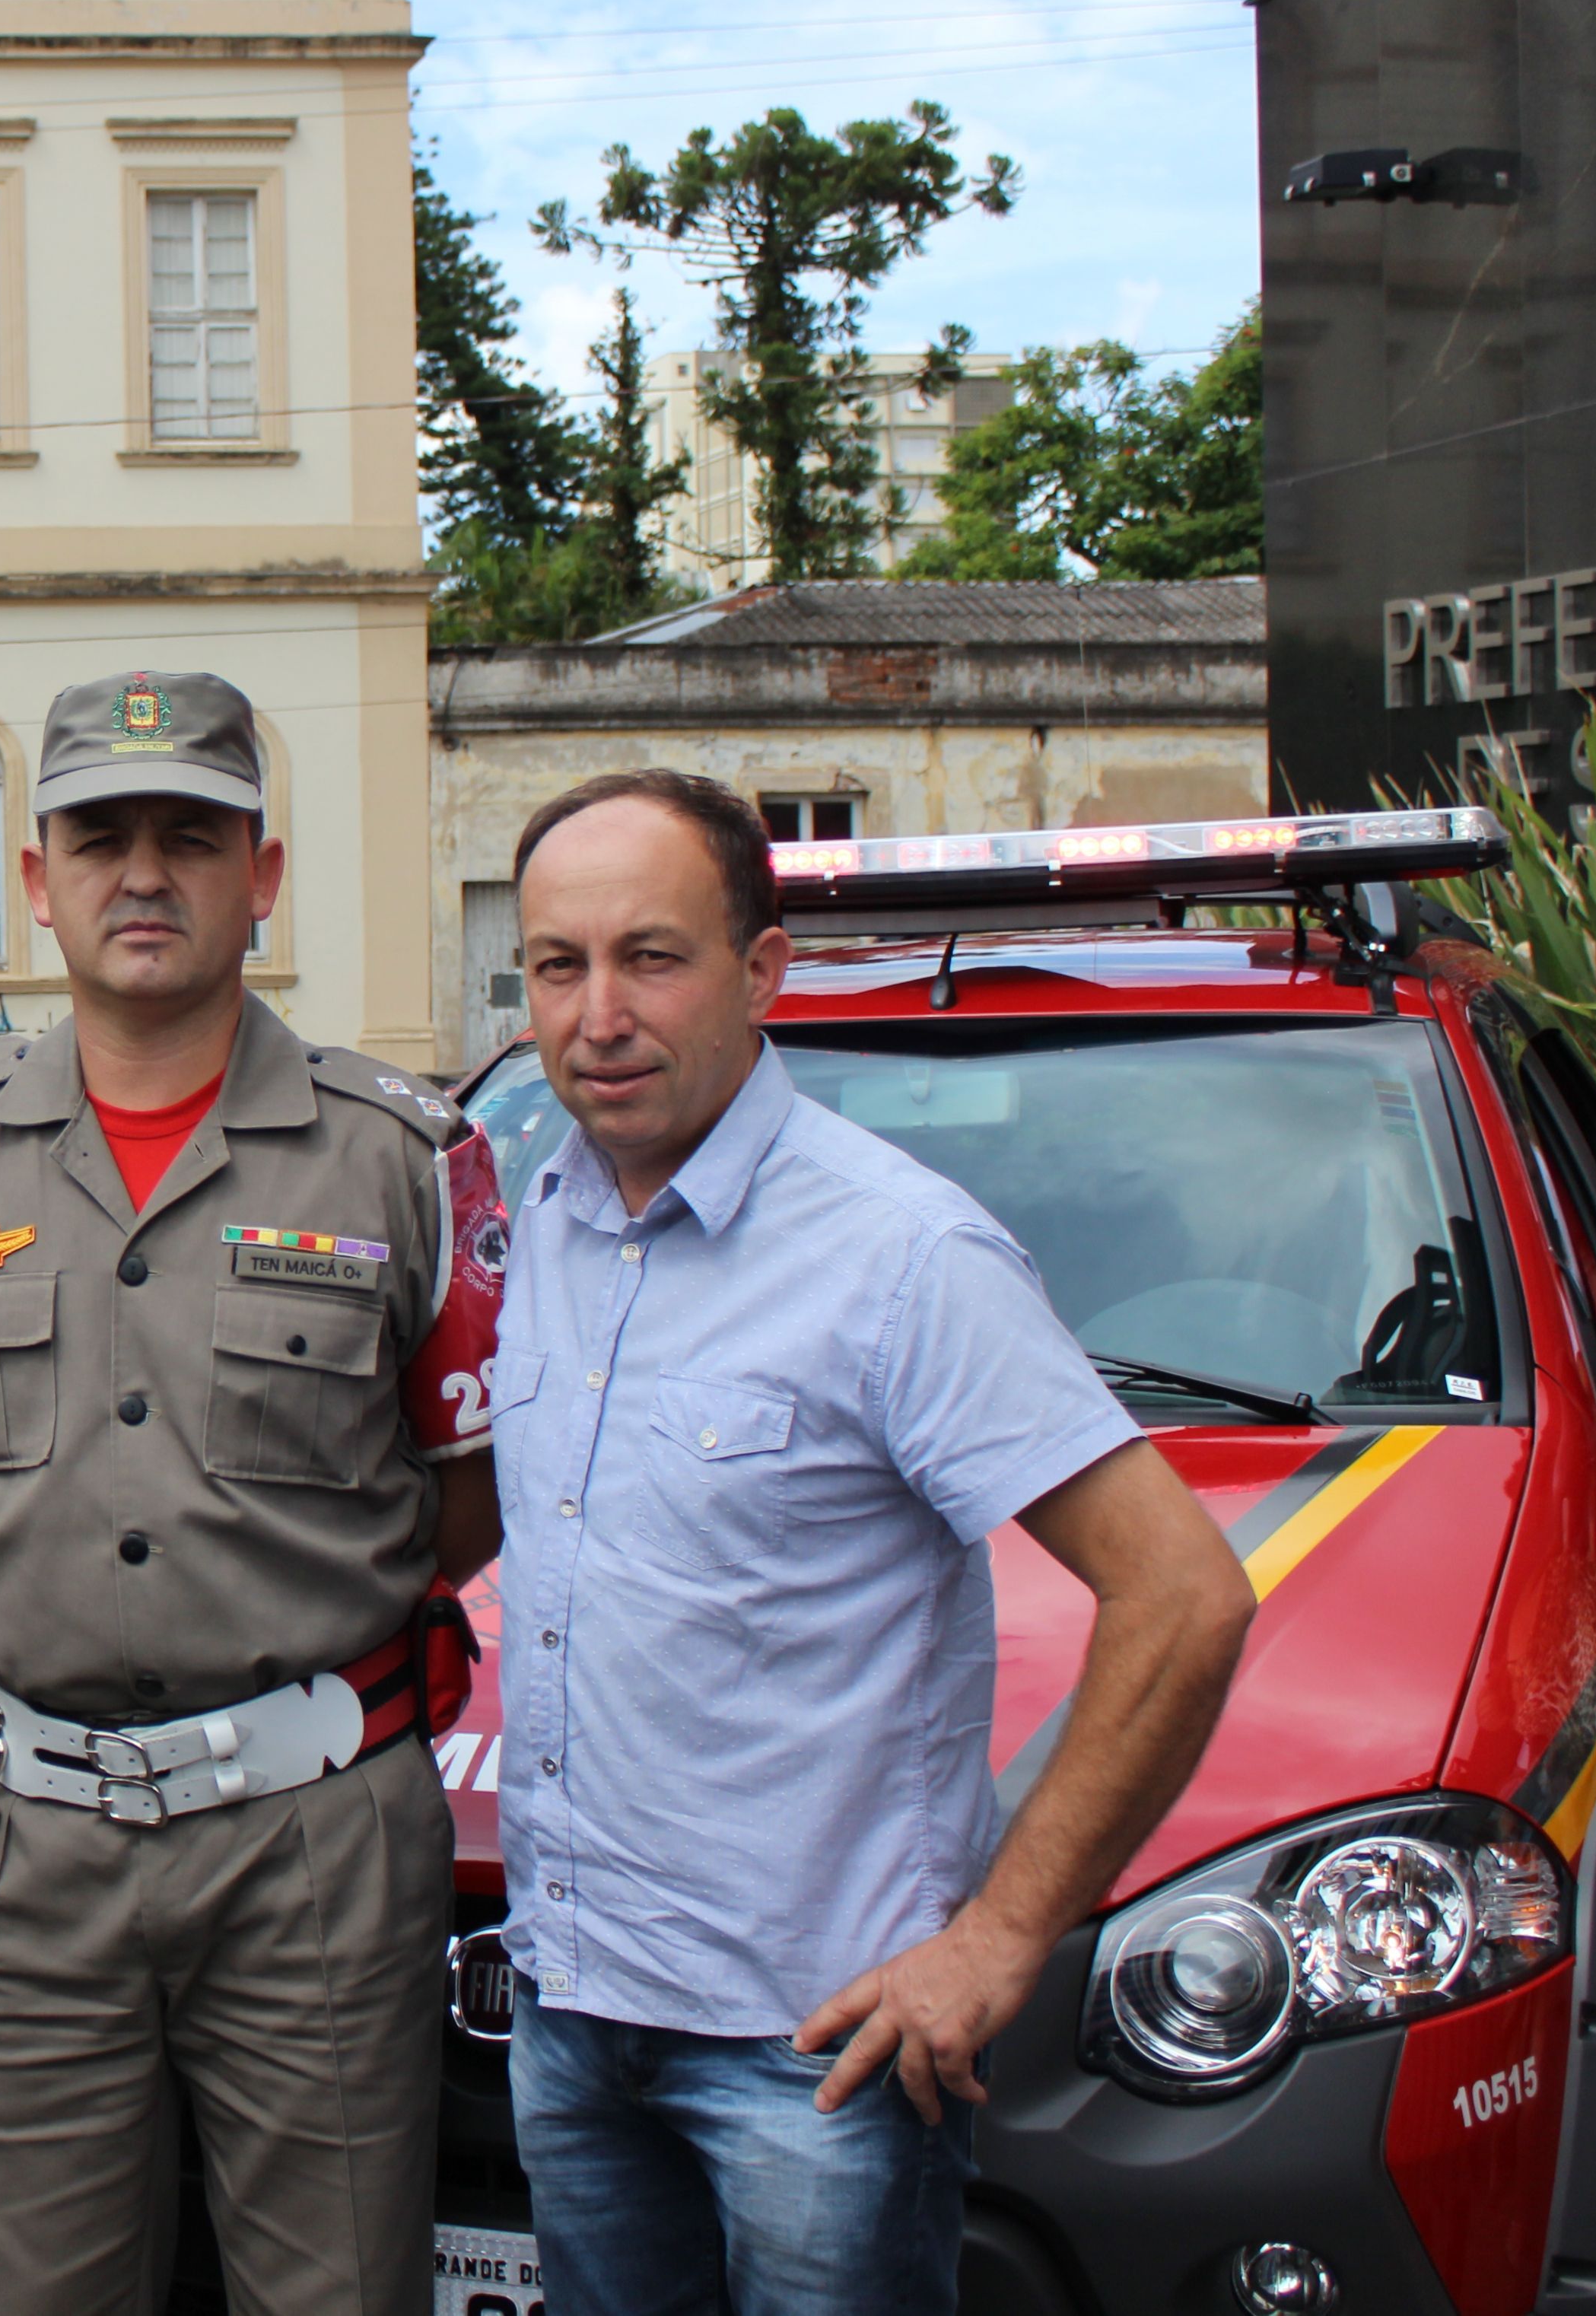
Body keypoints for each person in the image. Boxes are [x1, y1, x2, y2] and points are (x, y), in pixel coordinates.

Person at [489, 770, 1257, 2316]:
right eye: (557, 966)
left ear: (762, 970)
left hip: (812, 2057)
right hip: (569, 2015)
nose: (598, 1014)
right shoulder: (542, 1220)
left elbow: (1181, 1593)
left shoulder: (898, 1255)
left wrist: (999, 1938)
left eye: (652, 955)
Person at [0, 668, 508, 2316]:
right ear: (35, 876)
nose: (143, 874)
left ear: (260, 875)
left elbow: (465, 1494)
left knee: (333, 2285)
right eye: (99, 836)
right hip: (31, 1840)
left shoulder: (400, 1156)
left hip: (315, 1842)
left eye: (191, 835)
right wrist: (51, 1565)